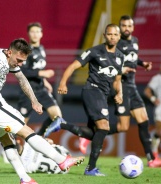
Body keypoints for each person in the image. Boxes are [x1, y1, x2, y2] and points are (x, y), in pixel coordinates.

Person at [0, 38, 84, 184]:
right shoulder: (1, 62)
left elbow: (22, 80)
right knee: (26, 130)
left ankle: (25, 179)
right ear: (10, 52)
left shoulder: (2, 54)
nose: (21, 64)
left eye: (23, 61)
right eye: (19, 59)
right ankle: (61, 160)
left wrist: (34, 101)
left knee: (6, 139)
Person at [79, 15, 161, 168]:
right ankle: (90, 135)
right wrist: (122, 70)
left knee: (142, 120)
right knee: (123, 126)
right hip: (122, 85)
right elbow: (113, 63)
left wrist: (142, 64)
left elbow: (132, 57)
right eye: (123, 26)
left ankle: (152, 159)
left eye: (129, 25)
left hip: (132, 85)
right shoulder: (116, 43)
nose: (126, 28)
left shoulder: (134, 41)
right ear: (119, 28)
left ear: (133, 27)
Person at [44, 24, 125, 176]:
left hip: (103, 95)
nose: (112, 37)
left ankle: (62, 124)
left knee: (95, 134)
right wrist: (62, 82)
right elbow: (73, 66)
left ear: (119, 36)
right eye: (109, 34)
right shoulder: (95, 51)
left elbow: (117, 79)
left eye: (115, 34)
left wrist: (119, 93)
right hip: (92, 90)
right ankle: (91, 168)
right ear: (104, 35)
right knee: (104, 127)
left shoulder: (120, 57)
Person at [18, 22, 62, 135]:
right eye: (32, 32)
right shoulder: (25, 50)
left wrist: (45, 81)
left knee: (57, 117)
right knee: (20, 127)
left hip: (41, 90)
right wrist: (42, 73)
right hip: (28, 91)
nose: (35, 34)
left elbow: (37, 67)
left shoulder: (41, 49)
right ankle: (12, 147)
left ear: (41, 34)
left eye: (37, 32)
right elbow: (22, 72)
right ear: (28, 34)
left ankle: (40, 137)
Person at [3, 138, 70, 174]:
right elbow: (50, 141)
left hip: (61, 170)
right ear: (18, 141)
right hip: (65, 154)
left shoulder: (25, 167)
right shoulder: (29, 143)